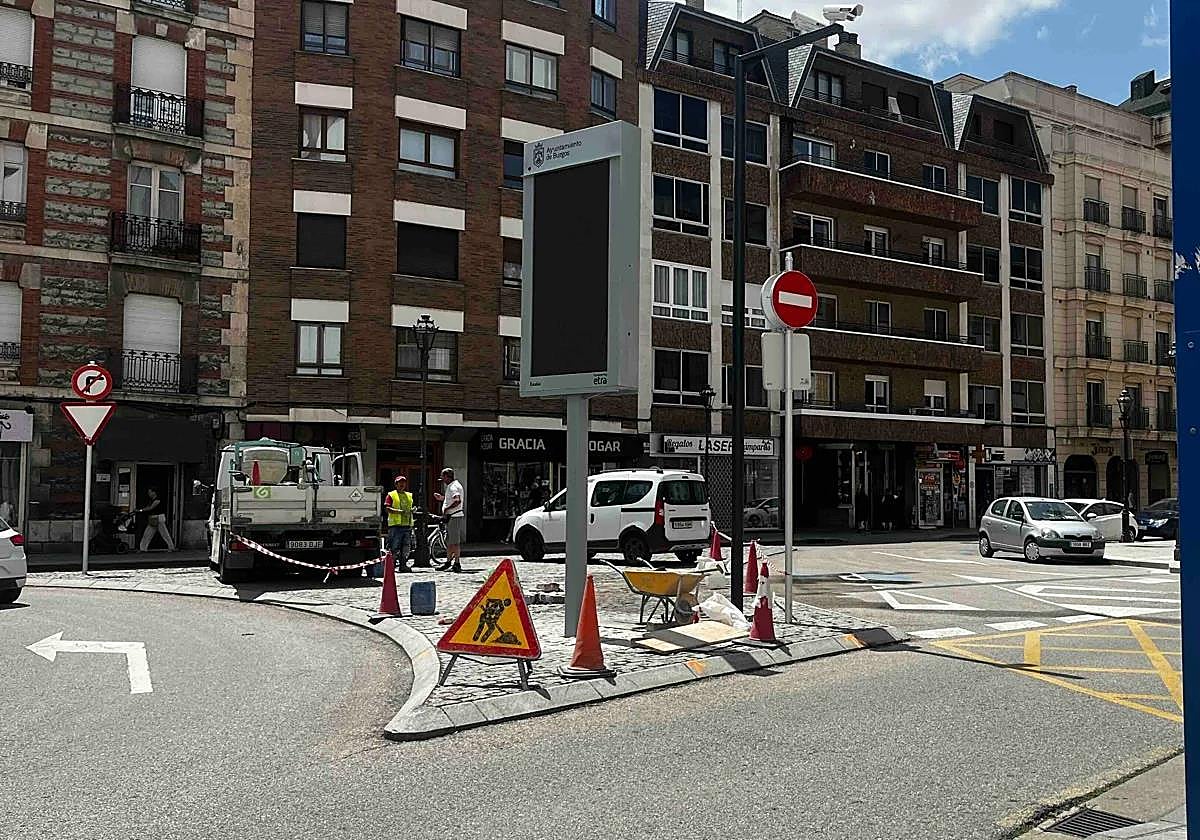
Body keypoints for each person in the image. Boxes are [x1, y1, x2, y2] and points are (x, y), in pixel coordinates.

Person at [433, 467, 465, 573]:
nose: (443, 481)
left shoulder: (454, 487)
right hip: (452, 517)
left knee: (454, 542)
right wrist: (442, 499)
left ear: (447, 477)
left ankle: (457, 563)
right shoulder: (452, 486)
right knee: (450, 541)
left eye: (443, 478)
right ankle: (448, 562)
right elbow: (452, 499)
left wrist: (446, 508)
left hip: (454, 517)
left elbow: (457, 500)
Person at [385, 475, 414, 573]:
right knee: (394, 547)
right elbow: (387, 508)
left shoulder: (409, 495)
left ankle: (403, 565)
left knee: (406, 547)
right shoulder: (391, 495)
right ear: (396, 484)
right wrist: (399, 512)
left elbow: (411, 508)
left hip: (407, 526)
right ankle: (390, 566)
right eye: (399, 483)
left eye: (403, 482)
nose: (402, 484)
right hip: (395, 526)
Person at [137, 488, 175, 552]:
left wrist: (140, 510)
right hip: (153, 518)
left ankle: (171, 547)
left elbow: (151, 508)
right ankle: (143, 548)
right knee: (147, 534)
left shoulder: (157, 500)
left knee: (164, 534)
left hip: (158, 518)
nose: (148, 494)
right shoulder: (152, 500)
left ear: (154, 492)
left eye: (150, 492)